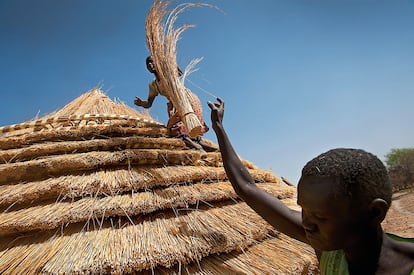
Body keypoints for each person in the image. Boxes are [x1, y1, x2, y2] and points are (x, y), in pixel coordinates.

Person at [208, 98, 414, 275]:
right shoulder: (331, 251)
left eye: (321, 217)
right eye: (303, 210)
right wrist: (219, 129)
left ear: (374, 212)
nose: (306, 224)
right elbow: (247, 188)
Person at [135, 56, 217, 152]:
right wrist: (141, 103)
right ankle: (213, 151)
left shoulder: (168, 74)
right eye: (147, 64)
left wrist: (167, 63)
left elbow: (179, 72)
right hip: (175, 104)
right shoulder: (153, 85)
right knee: (183, 132)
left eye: (152, 62)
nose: (150, 65)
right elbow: (149, 103)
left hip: (186, 100)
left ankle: (201, 150)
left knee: (178, 131)